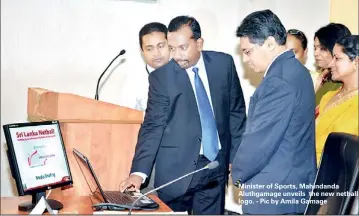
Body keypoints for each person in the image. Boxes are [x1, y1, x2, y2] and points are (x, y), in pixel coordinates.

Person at [120, 15, 247, 215]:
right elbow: (153, 126)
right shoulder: (161, 78)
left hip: (216, 165)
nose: (177, 55)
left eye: (182, 48)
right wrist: (138, 173)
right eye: (172, 48)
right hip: (177, 170)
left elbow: (236, 112)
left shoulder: (223, 65)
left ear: (199, 43)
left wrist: (236, 155)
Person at [231, 10, 317, 215]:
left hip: (273, 194)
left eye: (248, 51)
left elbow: (260, 141)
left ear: (270, 43)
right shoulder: (296, 70)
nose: (245, 59)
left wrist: (237, 173)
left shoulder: (278, 81)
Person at [315, 35, 358, 166]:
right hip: (307, 168)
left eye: (337, 58)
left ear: (356, 62)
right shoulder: (328, 96)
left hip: (337, 177)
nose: (330, 63)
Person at [119, 22, 170, 111]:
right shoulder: (133, 81)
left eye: (161, 46)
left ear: (170, 45)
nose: (156, 53)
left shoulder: (184, 73)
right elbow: (125, 117)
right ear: (142, 51)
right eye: (149, 49)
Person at [313, 23, 351, 106]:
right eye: (315, 48)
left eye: (322, 48)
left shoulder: (341, 83)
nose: (316, 53)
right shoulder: (324, 78)